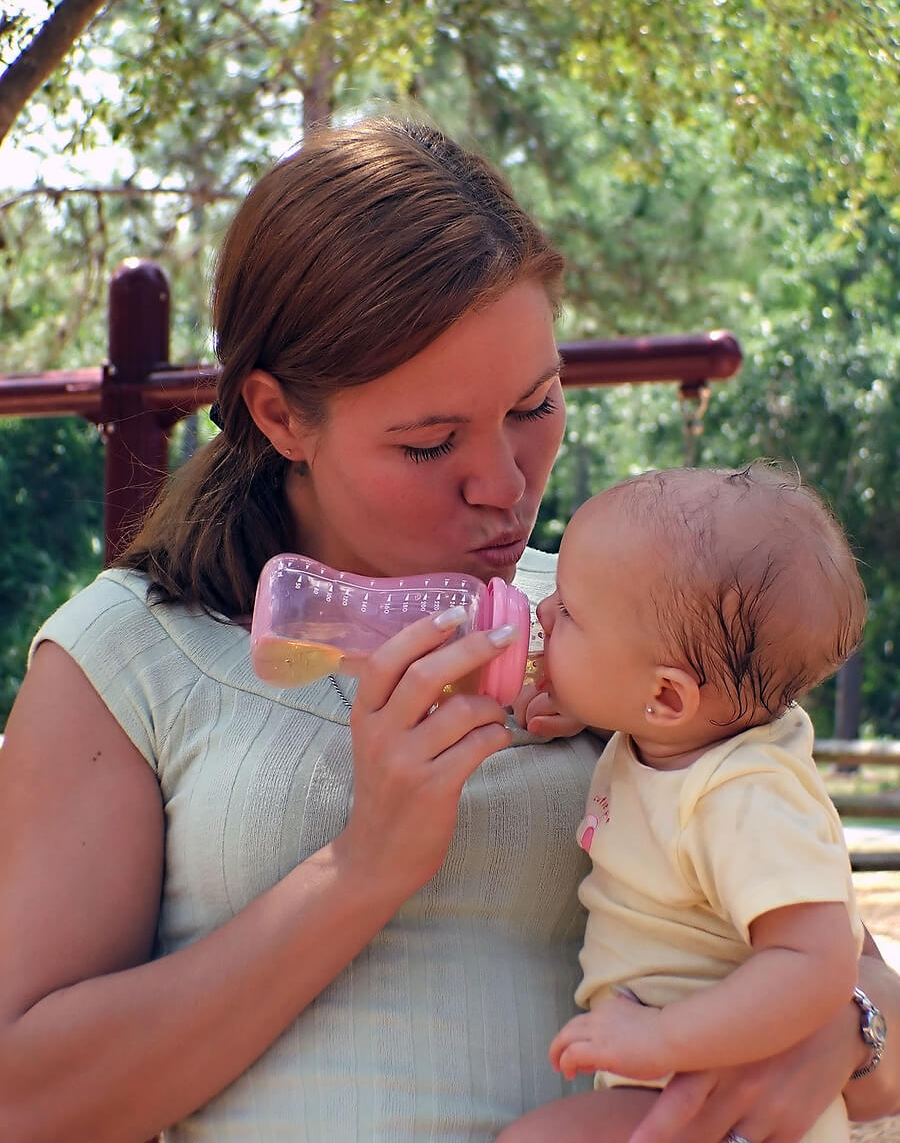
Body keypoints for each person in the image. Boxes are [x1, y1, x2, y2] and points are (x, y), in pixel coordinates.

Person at [0, 119, 897, 1143]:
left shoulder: (636, 629)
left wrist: (852, 1032)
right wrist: (367, 863)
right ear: (281, 416)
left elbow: (840, 965)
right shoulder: (130, 655)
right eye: (429, 444)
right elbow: (26, 1103)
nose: (505, 487)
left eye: (537, 406)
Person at [498, 463, 887, 1143]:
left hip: (720, 1097)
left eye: (569, 613)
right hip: (677, 1085)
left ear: (668, 698)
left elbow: (819, 962)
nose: (542, 612)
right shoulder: (677, 737)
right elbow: (638, 703)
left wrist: (661, 1036)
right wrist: (589, 701)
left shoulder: (744, 797)